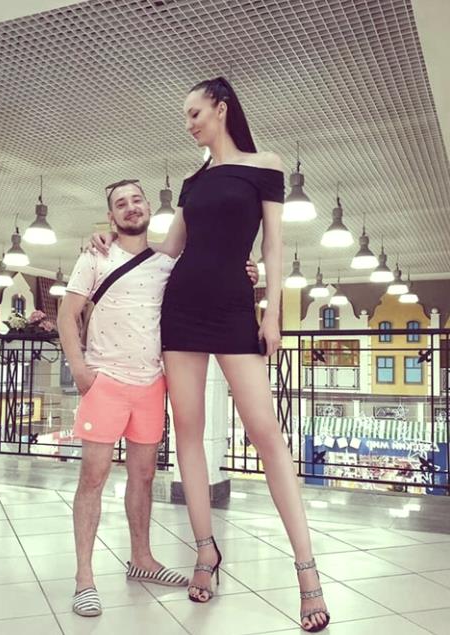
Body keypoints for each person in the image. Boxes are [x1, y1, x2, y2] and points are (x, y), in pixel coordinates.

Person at [93, 77, 330, 632]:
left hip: (232, 309)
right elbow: (169, 249)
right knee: (189, 434)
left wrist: (271, 312)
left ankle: (307, 570)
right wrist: (108, 241)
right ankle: (205, 551)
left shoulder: (265, 166)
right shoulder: (194, 182)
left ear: (221, 109)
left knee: (267, 434)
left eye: (195, 113)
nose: (189, 124)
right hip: (181, 311)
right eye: (186, 116)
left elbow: (273, 245)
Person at [58, 178, 259, 618]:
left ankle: (142, 559)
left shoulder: (168, 263)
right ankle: (84, 578)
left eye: (137, 200)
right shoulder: (95, 255)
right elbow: (66, 314)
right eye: (121, 204)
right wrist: (80, 370)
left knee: (145, 475)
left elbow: (209, 278)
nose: (130, 207)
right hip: (105, 380)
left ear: (149, 208)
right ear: (111, 217)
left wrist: (247, 272)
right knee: (93, 477)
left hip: (151, 383)